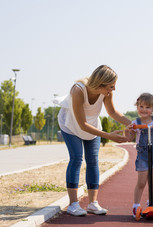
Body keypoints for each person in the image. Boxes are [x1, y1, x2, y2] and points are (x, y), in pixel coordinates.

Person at [57, 65, 133, 216]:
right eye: (111, 86)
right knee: (77, 158)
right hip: (71, 125)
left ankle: (93, 203)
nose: (114, 90)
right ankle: (73, 204)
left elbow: (112, 112)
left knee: (93, 160)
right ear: (100, 84)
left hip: (91, 125)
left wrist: (132, 124)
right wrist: (109, 136)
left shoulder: (106, 93)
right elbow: (81, 124)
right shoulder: (78, 90)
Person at [127, 93, 153, 218]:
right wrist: (128, 130)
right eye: (141, 106)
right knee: (141, 182)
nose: (144, 110)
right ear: (137, 106)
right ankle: (135, 206)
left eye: (147, 107)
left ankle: (151, 203)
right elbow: (129, 138)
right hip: (143, 155)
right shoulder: (136, 122)